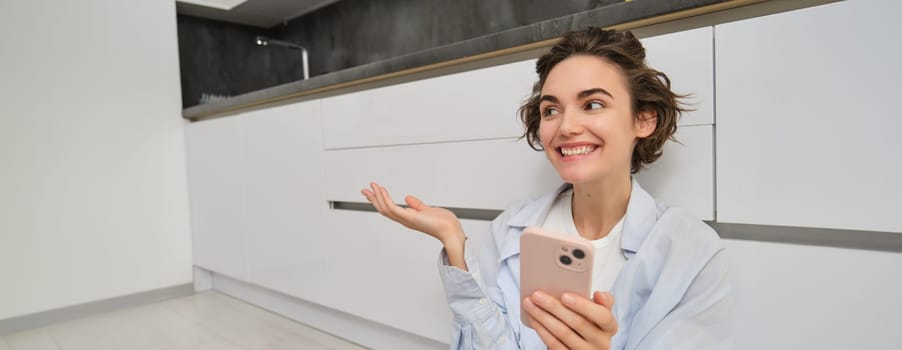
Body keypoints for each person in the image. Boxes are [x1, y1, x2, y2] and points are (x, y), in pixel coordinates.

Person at [361, 27, 732, 350]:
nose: (566, 126)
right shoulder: (510, 229)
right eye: (551, 110)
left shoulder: (692, 254)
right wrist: (455, 243)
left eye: (593, 104)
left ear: (644, 119)